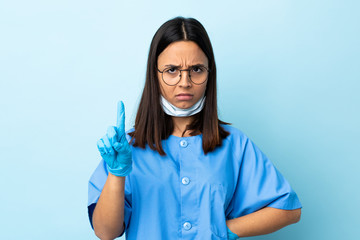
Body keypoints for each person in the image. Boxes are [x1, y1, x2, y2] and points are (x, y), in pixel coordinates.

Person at [87, 16, 302, 240]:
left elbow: (288, 209)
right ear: (155, 74)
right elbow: (105, 232)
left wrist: (224, 230)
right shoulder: (127, 149)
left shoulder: (234, 144)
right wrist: (116, 173)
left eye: (196, 69)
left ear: (210, 73)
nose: (185, 82)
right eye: (171, 70)